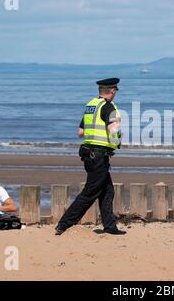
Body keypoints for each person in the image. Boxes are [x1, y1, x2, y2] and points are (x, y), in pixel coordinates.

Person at [55, 78, 126, 235]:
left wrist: (95, 138)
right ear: (112, 91)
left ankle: (110, 226)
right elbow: (113, 130)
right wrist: (117, 142)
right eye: (115, 91)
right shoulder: (109, 107)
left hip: (89, 154)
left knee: (108, 191)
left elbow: (80, 132)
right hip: (99, 156)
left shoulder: (91, 106)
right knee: (90, 192)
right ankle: (64, 224)